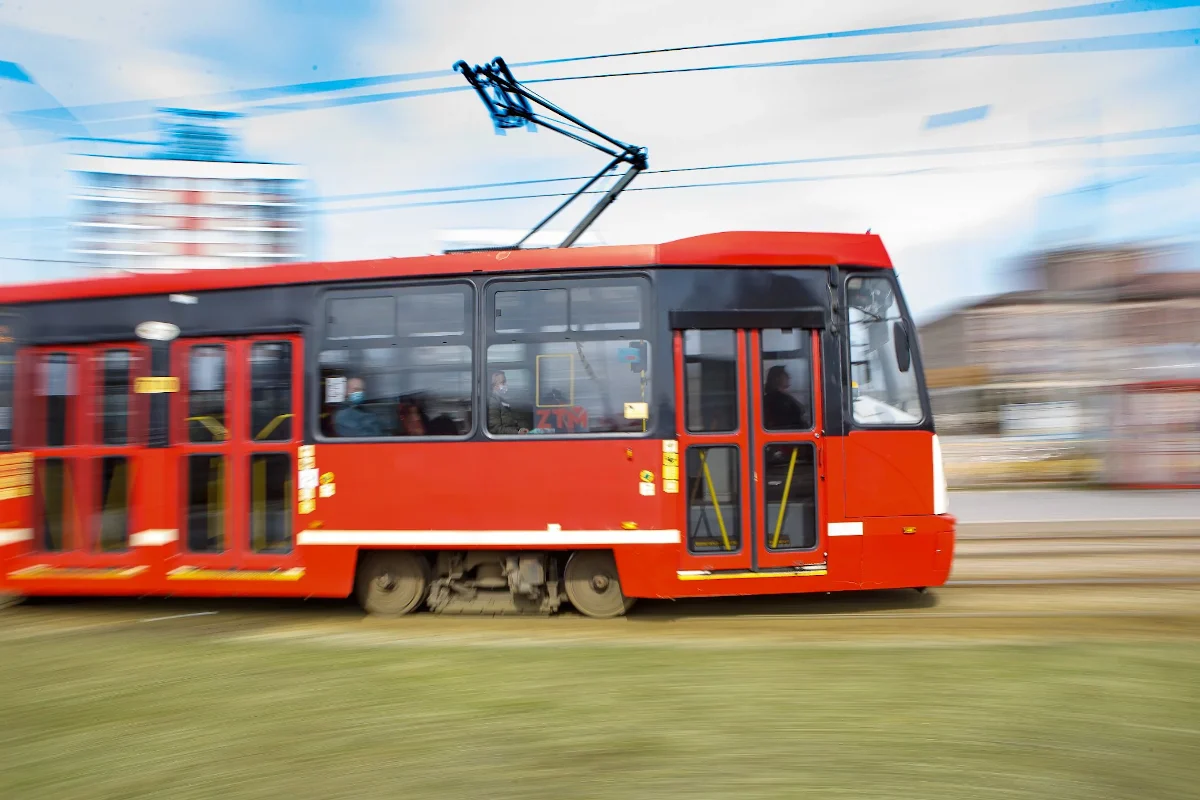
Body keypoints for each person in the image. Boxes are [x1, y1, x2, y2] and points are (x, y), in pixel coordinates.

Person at [762, 365, 809, 430]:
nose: (789, 377)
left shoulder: (781, 397)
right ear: (777, 378)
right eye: (785, 375)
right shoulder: (777, 400)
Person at [487, 370, 529, 435]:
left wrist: (520, 429)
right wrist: (517, 432)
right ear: (494, 385)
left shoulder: (502, 400)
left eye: (505, 382)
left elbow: (511, 421)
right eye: (503, 382)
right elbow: (495, 429)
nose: (506, 385)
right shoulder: (493, 402)